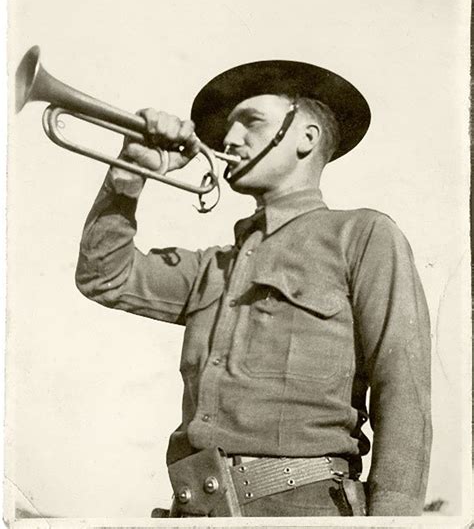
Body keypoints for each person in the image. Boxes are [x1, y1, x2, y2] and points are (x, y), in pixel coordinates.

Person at [75, 60, 432, 517]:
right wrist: (128, 174)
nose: (228, 139)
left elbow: (403, 392)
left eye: (251, 121)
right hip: (197, 510)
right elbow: (103, 276)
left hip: (304, 509)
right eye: (229, 126)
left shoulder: (362, 236)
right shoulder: (214, 266)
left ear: (306, 137)